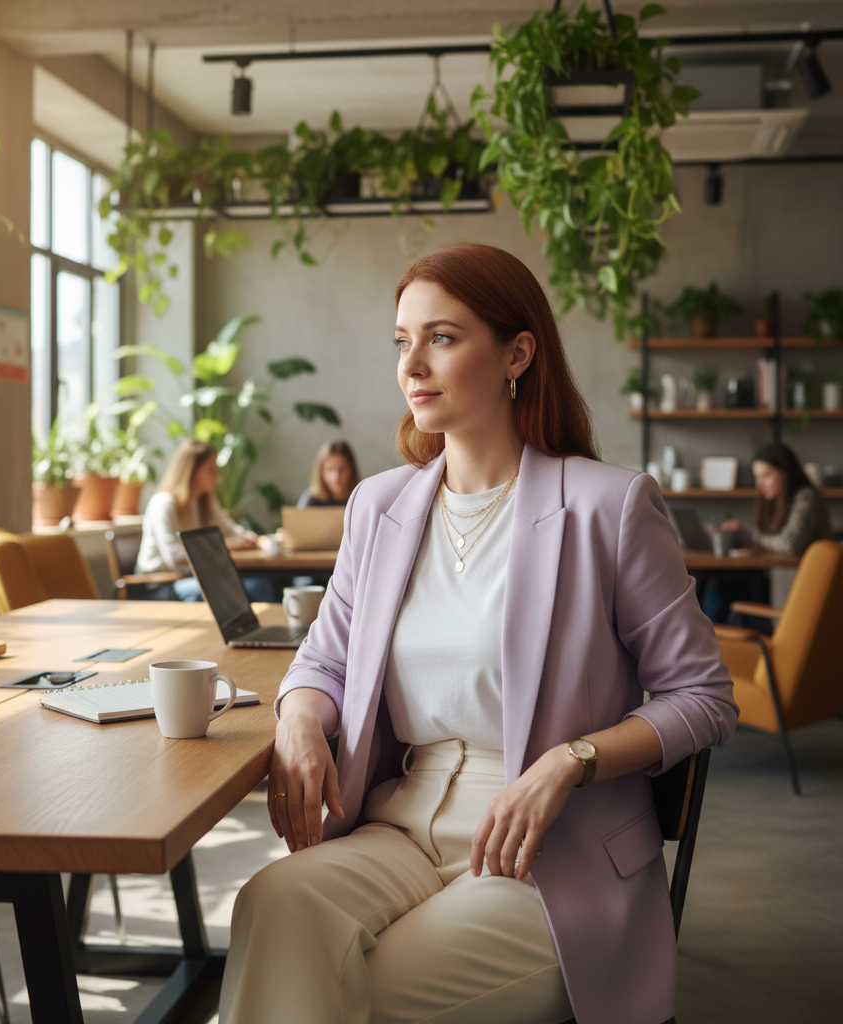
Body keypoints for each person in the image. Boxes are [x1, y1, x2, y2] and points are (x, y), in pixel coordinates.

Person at [219, 244, 737, 1024]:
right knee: (274, 907)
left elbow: (704, 696)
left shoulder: (611, 507)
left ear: (517, 354)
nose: (412, 365)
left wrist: (572, 759)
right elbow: (324, 656)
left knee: (364, 986)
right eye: (402, 341)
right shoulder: (378, 507)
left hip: (548, 850)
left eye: (443, 338)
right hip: (402, 816)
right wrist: (296, 719)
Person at [136, 439, 275, 603]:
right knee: (236, 590)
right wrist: (223, 544)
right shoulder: (163, 503)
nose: (217, 476)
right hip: (160, 584)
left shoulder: (203, 502)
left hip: (195, 577)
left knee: (259, 585)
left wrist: (256, 539)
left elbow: (233, 531)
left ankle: (266, 628)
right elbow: (175, 558)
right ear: (191, 472)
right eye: (210, 470)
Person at [719, 442, 830, 556]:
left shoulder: (806, 498)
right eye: (757, 477)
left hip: (805, 572)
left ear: (786, 472)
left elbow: (789, 545)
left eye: (766, 475)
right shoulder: (776, 501)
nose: (759, 484)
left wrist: (750, 536)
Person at [297, 440, 361, 507]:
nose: (336, 476)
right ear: (321, 472)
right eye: (330, 469)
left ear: (352, 469)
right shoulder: (310, 501)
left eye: (342, 469)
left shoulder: (361, 497)